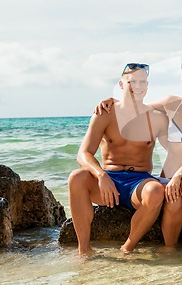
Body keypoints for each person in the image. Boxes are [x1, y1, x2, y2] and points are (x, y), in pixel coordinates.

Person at [96, 57, 182, 253]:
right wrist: (113, 101)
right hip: (168, 177)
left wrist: (178, 176)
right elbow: (135, 106)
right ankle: (170, 248)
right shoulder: (171, 103)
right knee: (173, 197)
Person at [68, 63, 168, 255]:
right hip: (109, 180)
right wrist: (101, 176)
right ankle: (84, 251)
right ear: (121, 84)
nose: (137, 86)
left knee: (156, 191)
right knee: (76, 177)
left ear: (147, 87)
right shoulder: (105, 113)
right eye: (132, 82)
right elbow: (83, 153)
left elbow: (174, 150)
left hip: (139, 182)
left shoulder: (157, 117)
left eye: (142, 82)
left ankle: (127, 248)